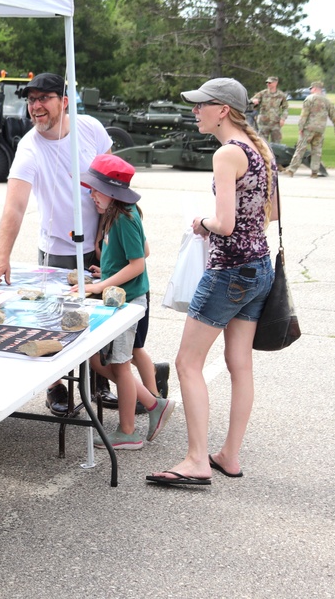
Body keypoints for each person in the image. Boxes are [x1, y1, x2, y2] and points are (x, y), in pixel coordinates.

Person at [148, 78, 276, 487]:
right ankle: (229, 455)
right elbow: (265, 217)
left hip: (229, 271)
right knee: (240, 365)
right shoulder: (260, 150)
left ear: (222, 109)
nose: (194, 111)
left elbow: (225, 223)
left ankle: (196, 459)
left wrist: (202, 224)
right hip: (259, 267)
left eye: (201, 105)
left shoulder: (226, 153)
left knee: (188, 363)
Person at [0, 72, 115, 415]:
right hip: (57, 249)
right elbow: (15, 204)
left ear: (64, 101)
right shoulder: (29, 146)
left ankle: (99, 383)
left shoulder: (91, 129)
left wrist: (110, 236)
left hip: (99, 242)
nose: (36, 107)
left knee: (99, 319)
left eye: (44, 98)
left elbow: (115, 180)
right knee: (52, 320)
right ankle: (55, 387)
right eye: (31, 100)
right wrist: (2, 256)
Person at [72, 154, 175, 449]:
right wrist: (106, 270)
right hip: (120, 299)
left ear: (112, 192)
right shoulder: (117, 214)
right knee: (97, 360)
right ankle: (154, 404)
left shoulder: (126, 218)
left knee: (120, 365)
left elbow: (139, 262)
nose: (91, 195)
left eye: (94, 189)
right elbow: (138, 253)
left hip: (128, 304)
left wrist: (101, 285)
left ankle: (128, 431)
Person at [286, 80, 335, 178]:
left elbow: (304, 115)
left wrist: (300, 127)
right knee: (317, 151)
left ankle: (291, 170)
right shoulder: (327, 101)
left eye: (311, 88)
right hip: (320, 129)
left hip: (308, 128)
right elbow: (334, 116)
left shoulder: (309, 99)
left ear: (314, 88)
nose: (310, 90)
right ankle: (314, 172)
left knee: (300, 149)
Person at [250, 76, 288, 143]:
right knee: (262, 144)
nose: (268, 84)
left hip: (275, 123)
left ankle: (274, 154)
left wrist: (283, 118)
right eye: (267, 83)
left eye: (270, 83)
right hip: (264, 123)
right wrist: (254, 101)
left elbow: (285, 108)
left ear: (275, 83)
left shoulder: (281, 95)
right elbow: (251, 102)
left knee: (276, 144)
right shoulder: (263, 93)